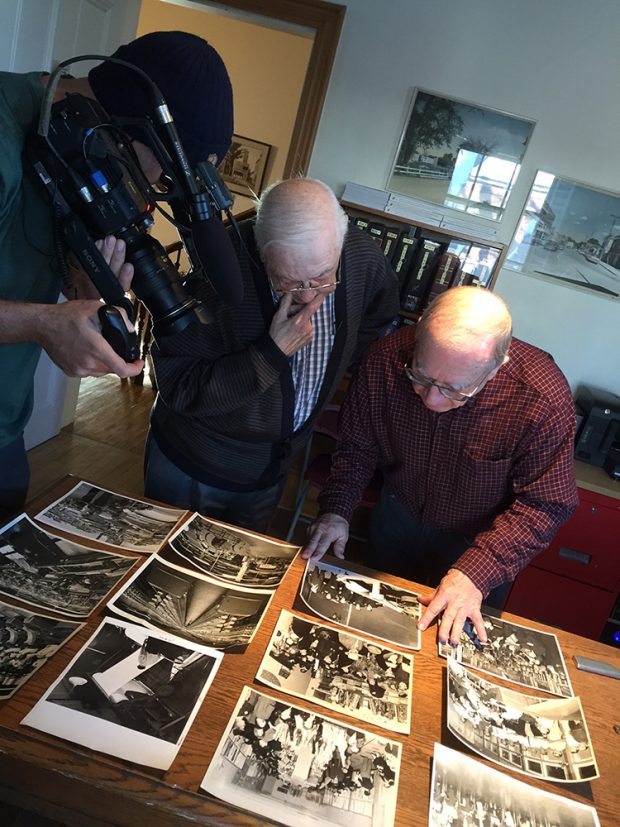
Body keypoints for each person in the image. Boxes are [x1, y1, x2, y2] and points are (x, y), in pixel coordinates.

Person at [0, 30, 234, 521]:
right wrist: (42, 323)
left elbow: (38, 277)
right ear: (124, 127)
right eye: (162, 173)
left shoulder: (75, 158)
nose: (149, 187)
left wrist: (87, 294)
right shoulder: (6, 133)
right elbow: (36, 317)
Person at [302, 286, 578, 644]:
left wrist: (476, 572)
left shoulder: (542, 399)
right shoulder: (384, 358)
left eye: (454, 390)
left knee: (449, 650)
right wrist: (337, 509)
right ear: (418, 335)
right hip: (395, 517)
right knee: (373, 634)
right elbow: (357, 447)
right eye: (421, 376)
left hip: (481, 542)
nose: (432, 400)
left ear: (496, 368)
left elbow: (544, 504)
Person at [144, 177, 400, 531]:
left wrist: (343, 358)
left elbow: (379, 315)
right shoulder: (219, 267)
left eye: (323, 277)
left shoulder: (361, 257)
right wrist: (270, 354)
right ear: (260, 252)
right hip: (195, 465)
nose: (309, 296)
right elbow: (180, 387)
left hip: (272, 470)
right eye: (289, 283)